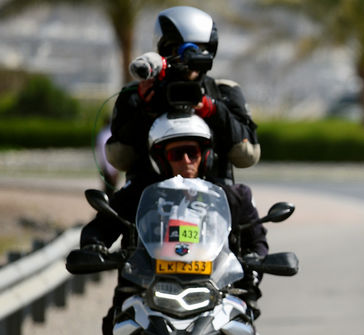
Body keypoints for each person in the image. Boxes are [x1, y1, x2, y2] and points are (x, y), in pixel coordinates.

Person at [82, 113, 279, 335]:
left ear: (206, 155)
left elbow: (256, 237)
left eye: (193, 152)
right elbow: (101, 225)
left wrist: (256, 263)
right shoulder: (138, 194)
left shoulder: (230, 194)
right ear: (160, 157)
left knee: (248, 332)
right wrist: (94, 245)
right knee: (114, 327)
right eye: (177, 153)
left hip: (215, 286)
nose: (186, 161)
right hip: (149, 286)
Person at [105, 6, 259, 194]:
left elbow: (248, 156)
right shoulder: (136, 93)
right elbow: (119, 158)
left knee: (251, 219)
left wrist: (212, 109)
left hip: (214, 203)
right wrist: (145, 109)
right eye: (180, 49)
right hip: (147, 204)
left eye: (199, 49)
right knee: (104, 222)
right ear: (164, 50)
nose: (189, 59)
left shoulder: (225, 91)